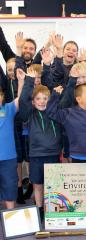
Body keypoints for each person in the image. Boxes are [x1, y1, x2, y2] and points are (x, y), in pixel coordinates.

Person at [18, 68, 62, 219]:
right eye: (38, 99)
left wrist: (56, 95)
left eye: (45, 98)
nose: (42, 101)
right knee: (37, 184)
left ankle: (52, 210)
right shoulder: (29, 114)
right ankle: (39, 210)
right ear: (33, 101)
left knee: (53, 184)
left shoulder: (54, 112)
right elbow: (23, 100)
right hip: (36, 154)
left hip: (53, 154)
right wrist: (29, 80)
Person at [0, 70, 24, 209]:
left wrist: (20, 81)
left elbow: (19, 100)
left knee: (10, 187)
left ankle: (11, 218)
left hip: (8, 158)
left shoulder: (8, 109)